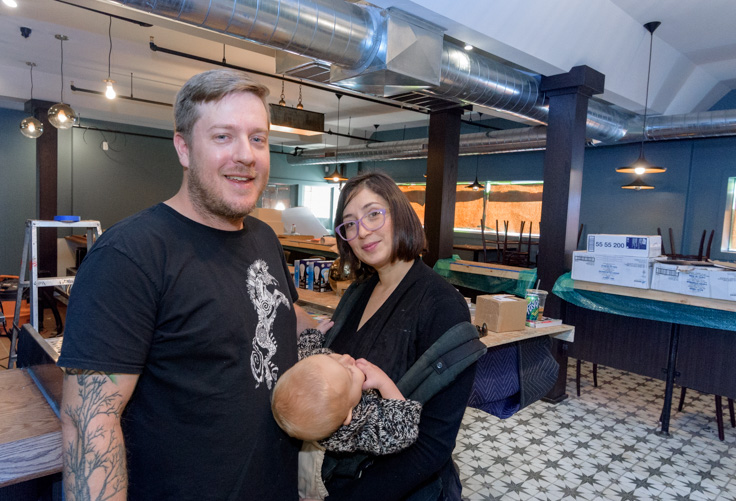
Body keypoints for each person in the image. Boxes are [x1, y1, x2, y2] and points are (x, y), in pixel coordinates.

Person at [58, 68, 306, 500]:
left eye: (258, 138)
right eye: (223, 136)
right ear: (184, 147)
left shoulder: (264, 238)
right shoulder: (130, 255)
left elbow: (275, 318)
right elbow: (89, 426)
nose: (245, 155)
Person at [321, 171, 477, 500]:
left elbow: (432, 445)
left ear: (400, 213)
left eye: (373, 214)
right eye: (350, 223)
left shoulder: (443, 305)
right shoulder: (358, 292)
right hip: (341, 476)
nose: (362, 231)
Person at [272, 327, 422, 500]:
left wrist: (313, 332)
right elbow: (402, 428)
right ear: (348, 417)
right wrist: (384, 383)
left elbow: (307, 352)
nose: (346, 358)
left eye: (332, 359)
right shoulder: (357, 425)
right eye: (350, 373)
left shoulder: (319, 374)